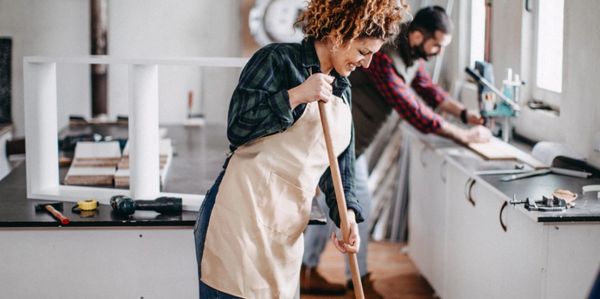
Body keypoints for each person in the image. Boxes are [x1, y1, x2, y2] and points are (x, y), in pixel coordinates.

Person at [193, 0, 406, 298]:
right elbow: (238, 127)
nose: (367, 64)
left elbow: (339, 170)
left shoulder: (343, 91)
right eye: (362, 52)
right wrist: (295, 96)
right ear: (337, 35)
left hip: (285, 233)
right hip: (240, 221)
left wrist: (346, 216)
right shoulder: (276, 60)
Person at [301, 6, 490, 298]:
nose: (438, 51)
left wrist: (465, 114)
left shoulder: (411, 55)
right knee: (350, 207)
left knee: (332, 208)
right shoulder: (383, 56)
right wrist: (463, 135)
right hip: (338, 141)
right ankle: (356, 283)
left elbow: (427, 88)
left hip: (353, 144)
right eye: (436, 45)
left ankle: (308, 272)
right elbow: (410, 108)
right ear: (417, 35)